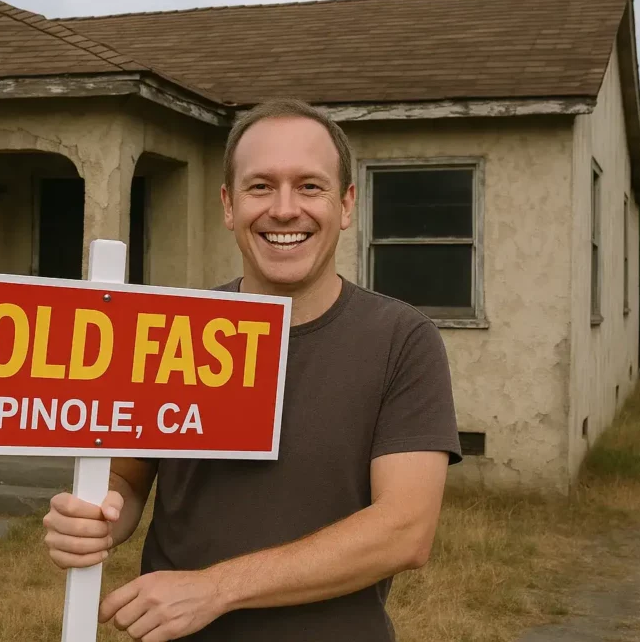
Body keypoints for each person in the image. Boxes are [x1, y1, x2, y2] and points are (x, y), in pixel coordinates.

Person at [42, 98, 462, 641]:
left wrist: (215, 589)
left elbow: (404, 531)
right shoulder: (171, 329)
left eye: (310, 186)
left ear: (347, 204)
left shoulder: (402, 341)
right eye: (260, 186)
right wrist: (97, 520)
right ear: (228, 204)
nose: (284, 209)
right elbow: (127, 476)